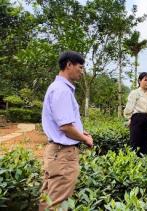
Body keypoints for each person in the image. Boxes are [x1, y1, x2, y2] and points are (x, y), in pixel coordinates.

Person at [39, 51, 94, 210]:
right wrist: (85, 139)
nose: (82, 72)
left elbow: (65, 124)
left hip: (56, 151)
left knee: (48, 199)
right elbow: (66, 127)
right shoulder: (62, 90)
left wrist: (80, 133)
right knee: (57, 203)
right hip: (63, 154)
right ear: (69, 64)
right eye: (81, 67)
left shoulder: (59, 88)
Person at [124, 72, 147, 156]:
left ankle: (143, 165)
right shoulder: (135, 93)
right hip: (137, 119)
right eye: (145, 80)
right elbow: (129, 108)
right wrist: (130, 119)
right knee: (135, 144)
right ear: (139, 81)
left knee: (145, 145)